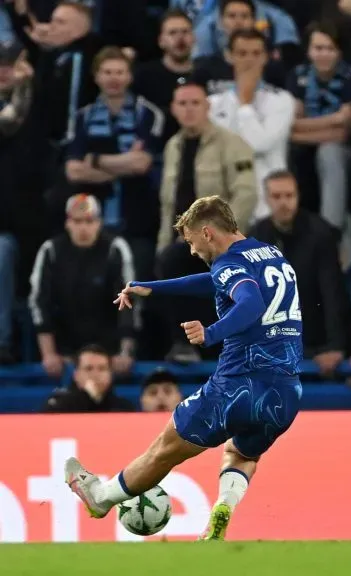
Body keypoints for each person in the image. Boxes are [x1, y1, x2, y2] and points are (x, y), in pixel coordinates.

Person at [63, 196, 303, 542]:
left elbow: (250, 301)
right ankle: (223, 508)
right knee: (241, 453)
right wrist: (155, 288)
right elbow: (218, 280)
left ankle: (101, 498)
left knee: (163, 451)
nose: (192, 250)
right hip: (285, 393)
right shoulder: (269, 254)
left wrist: (211, 333)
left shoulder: (228, 263)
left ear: (207, 232)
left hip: (237, 387)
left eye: (191, 241)